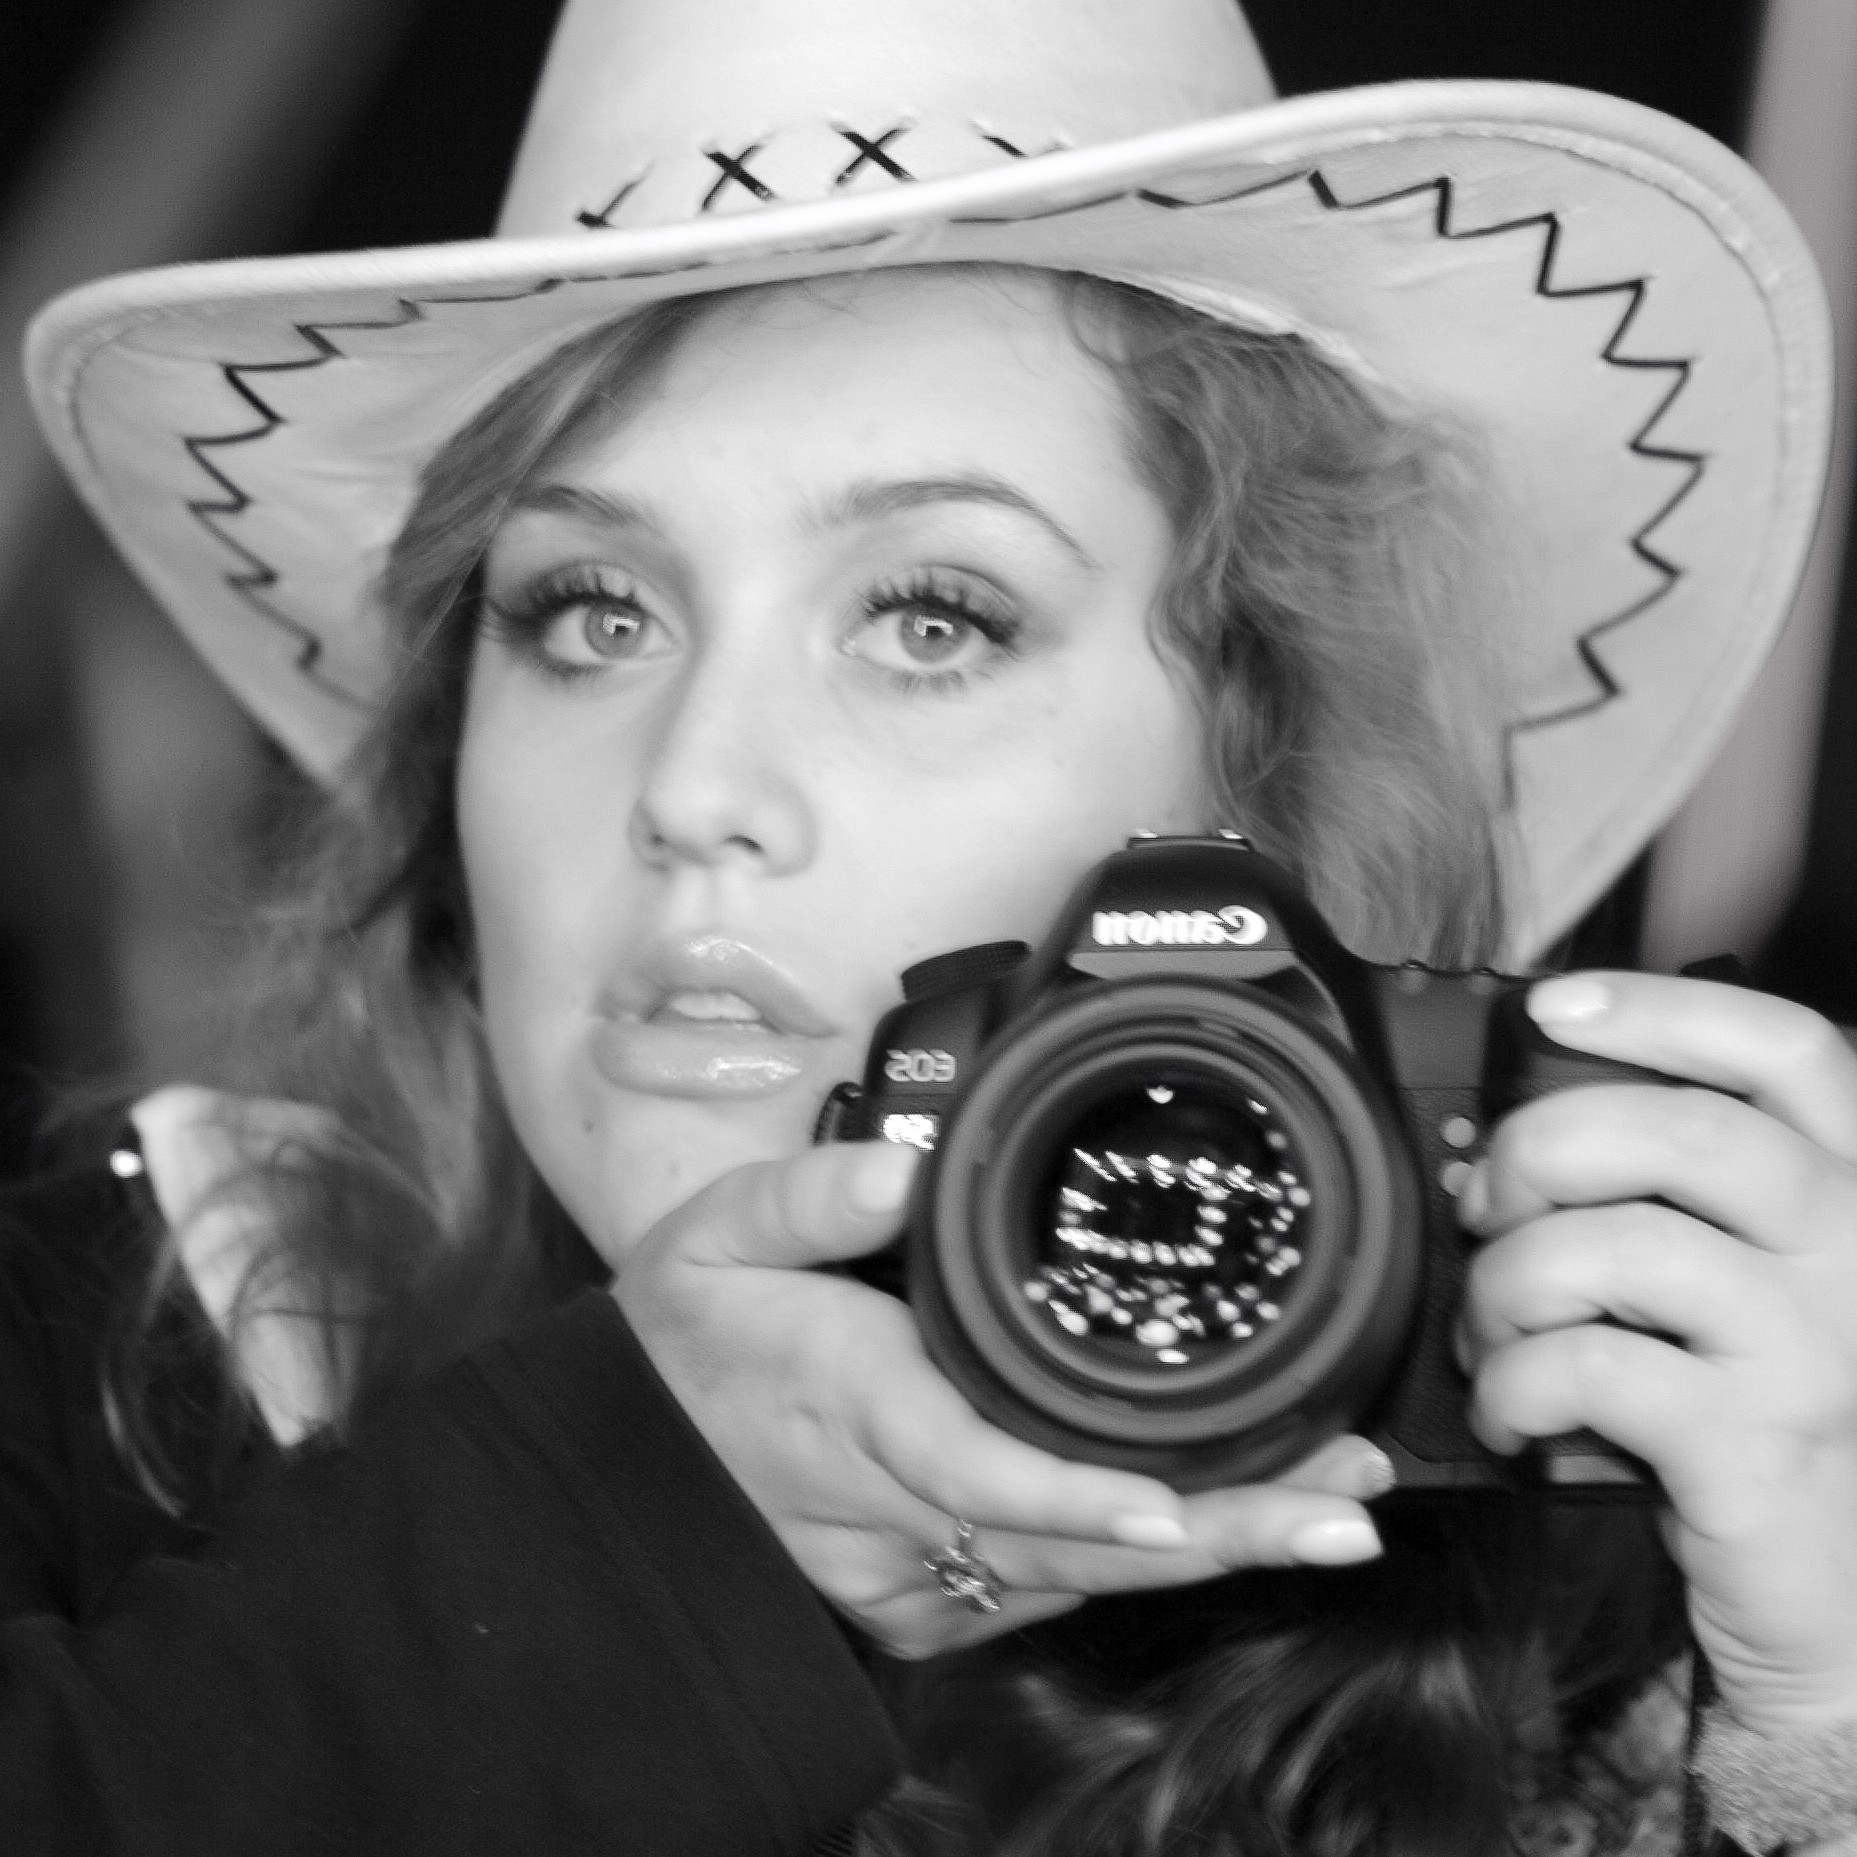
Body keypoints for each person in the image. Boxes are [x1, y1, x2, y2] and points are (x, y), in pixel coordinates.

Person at [10, 0, 1857, 1852]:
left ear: (1257, 790)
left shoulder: (1601, 1524)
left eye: (930, 619)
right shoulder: (102, 1362)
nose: (692, 782)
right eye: (594, 612)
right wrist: (638, 1523)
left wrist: (1823, 1731)